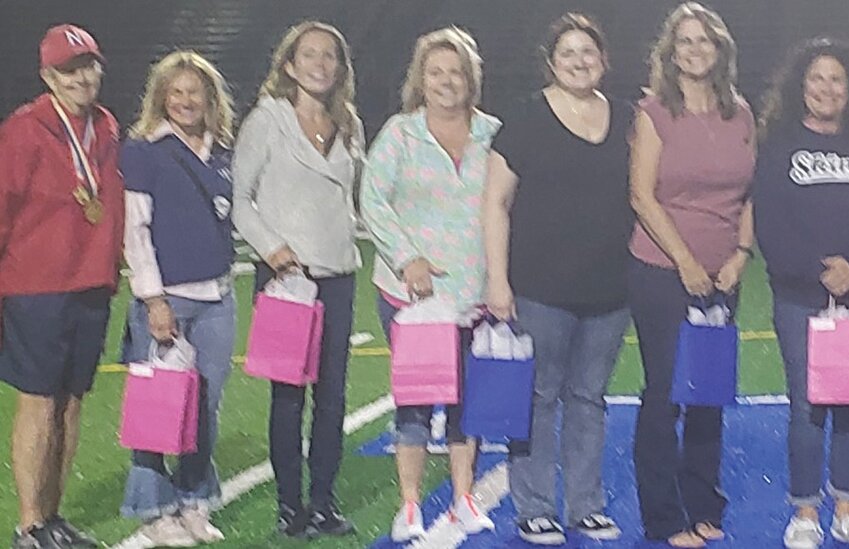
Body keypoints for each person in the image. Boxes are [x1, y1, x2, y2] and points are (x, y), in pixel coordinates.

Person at [481, 13, 634, 546]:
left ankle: (585, 505)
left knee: (589, 399)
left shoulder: (628, 118)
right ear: (551, 62)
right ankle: (535, 506)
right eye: (567, 52)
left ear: (604, 60)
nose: (578, 60)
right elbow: (496, 203)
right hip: (540, 289)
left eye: (587, 52)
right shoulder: (525, 118)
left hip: (610, 290)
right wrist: (497, 281)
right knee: (539, 398)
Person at [753, 38, 849, 549]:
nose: (826, 88)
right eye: (817, 78)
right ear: (801, 85)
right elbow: (770, 224)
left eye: (836, 79)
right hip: (801, 299)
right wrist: (820, 271)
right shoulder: (777, 148)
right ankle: (804, 513)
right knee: (806, 407)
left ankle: (846, 509)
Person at [361, 27, 500, 543]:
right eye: (435, 72)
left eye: (456, 72)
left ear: (472, 79)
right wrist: (407, 258)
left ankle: (464, 498)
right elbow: (372, 200)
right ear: (420, 80)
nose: (446, 82)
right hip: (412, 296)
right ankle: (411, 506)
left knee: (470, 403)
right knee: (415, 404)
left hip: (476, 293)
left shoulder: (493, 133)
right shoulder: (400, 133)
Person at [627, 3, 755, 547]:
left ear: (719, 48)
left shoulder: (742, 113)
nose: (695, 49)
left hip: (724, 276)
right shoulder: (654, 111)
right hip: (662, 271)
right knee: (666, 395)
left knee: (708, 392)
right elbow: (642, 195)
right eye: (685, 41)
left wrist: (741, 253)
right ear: (671, 52)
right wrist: (685, 262)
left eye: (704, 40)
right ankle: (664, 517)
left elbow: (750, 192)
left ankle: (704, 504)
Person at [231, 20, 364, 539]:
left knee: (333, 397)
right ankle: (291, 506)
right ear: (289, 64)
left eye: (330, 55)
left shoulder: (348, 122)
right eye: (309, 55)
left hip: (338, 275)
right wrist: (274, 250)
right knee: (289, 397)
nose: (320, 64)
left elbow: (353, 197)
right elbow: (241, 200)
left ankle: (324, 501)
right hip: (287, 277)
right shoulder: (267, 120)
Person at [0, 23, 120, 549]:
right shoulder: (25, 130)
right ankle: (30, 524)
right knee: (39, 402)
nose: (81, 78)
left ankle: (54, 516)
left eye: (88, 66)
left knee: (72, 403)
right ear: (48, 76)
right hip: (35, 288)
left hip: (92, 283)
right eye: (69, 70)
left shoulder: (108, 126)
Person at [117, 50, 238, 548]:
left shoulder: (222, 150)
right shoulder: (145, 150)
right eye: (178, 91)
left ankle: (193, 501)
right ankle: (153, 508)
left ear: (211, 99)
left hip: (218, 297)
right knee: (158, 408)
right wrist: (152, 299)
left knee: (205, 407)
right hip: (168, 299)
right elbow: (135, 230)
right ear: (162, 97)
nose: (187, 101)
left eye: (196, 91)